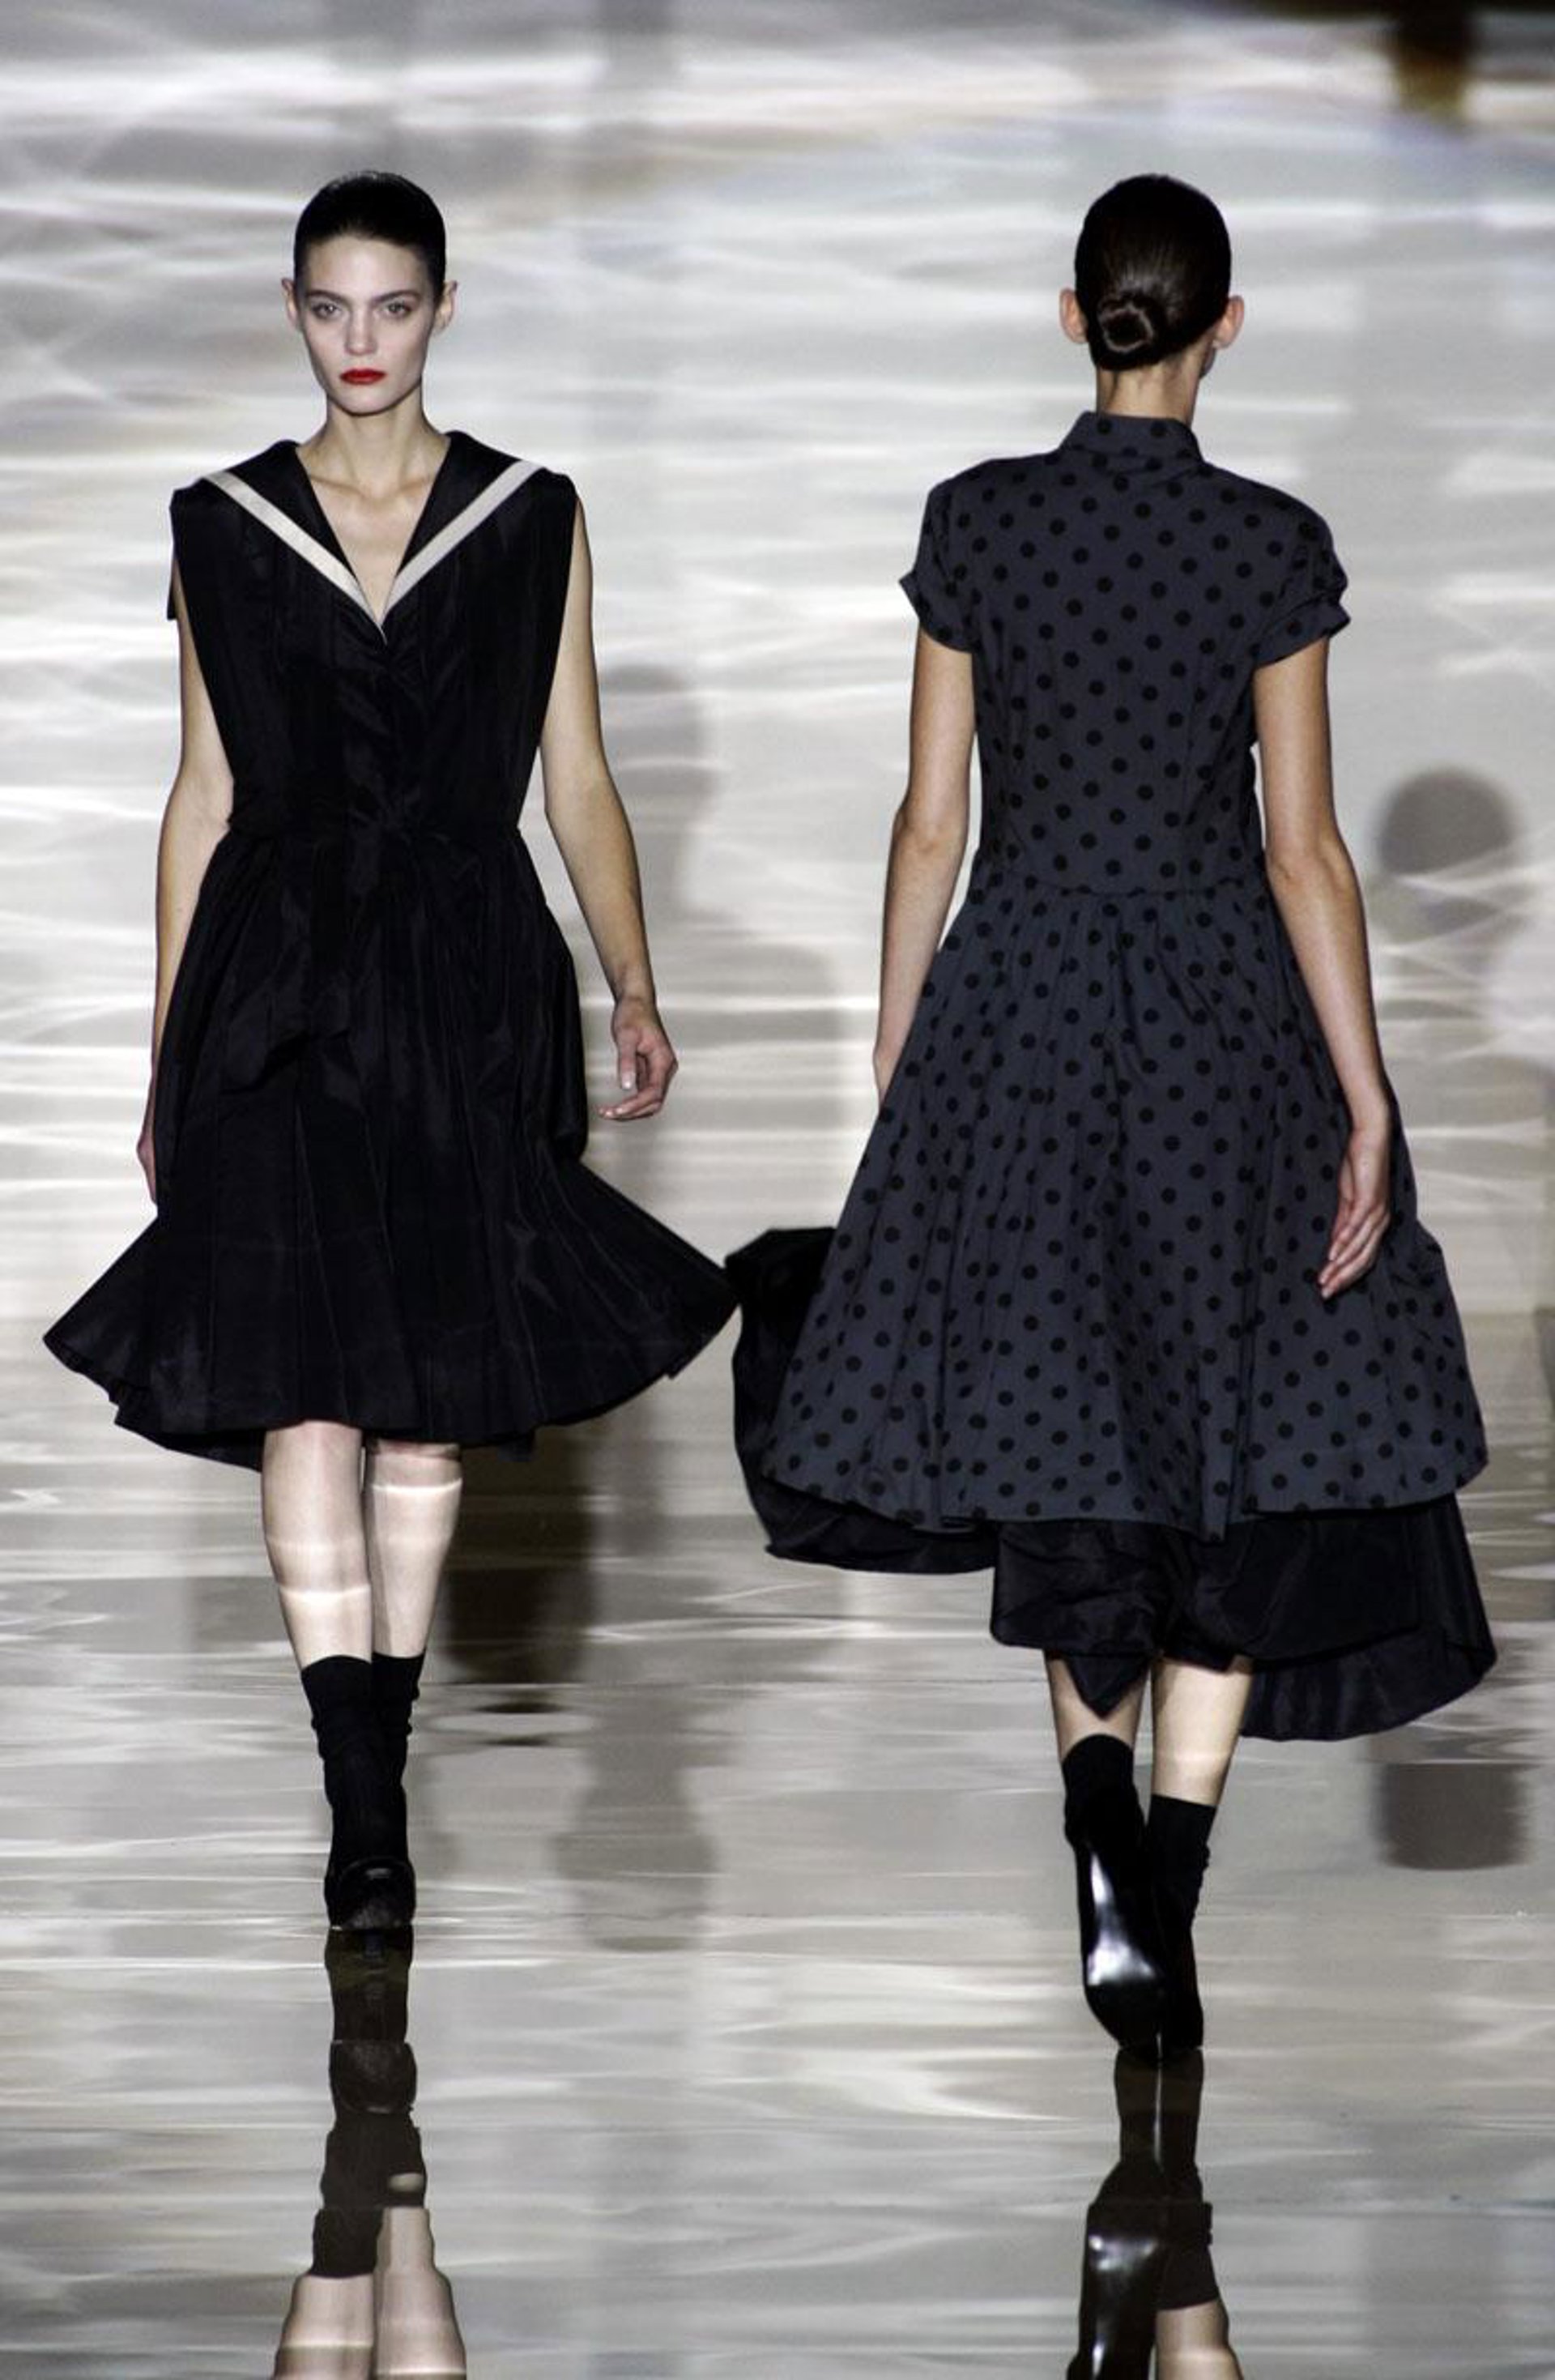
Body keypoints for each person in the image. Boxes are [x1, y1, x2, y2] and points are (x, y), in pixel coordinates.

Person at [728, 173, 1494, 2061]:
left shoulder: (978, 521)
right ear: (1228, 324)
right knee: (1233, 1435)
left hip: (1030, 1012)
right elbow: (1304, 852)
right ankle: (1165, 1880)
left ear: (1076, 315)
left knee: (1072, 1427)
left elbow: (932, 822)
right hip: (1228, 1028)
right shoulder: (1269, 546)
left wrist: (908, 1058)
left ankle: (1094, 1820)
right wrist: (1368, 1095)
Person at [43, 171, 735, 1932]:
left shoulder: (530, 514)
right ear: (292, 309)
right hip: (271, 988)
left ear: (443, 309)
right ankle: (361, 1801)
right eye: (332, 307)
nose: (362, 342)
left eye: (395, 307)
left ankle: (383, 1749)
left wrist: (633, 981)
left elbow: (577, 773)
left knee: (427, 1404)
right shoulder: (219, 521)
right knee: (306, 1380)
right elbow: (200, 795)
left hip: (463, 986)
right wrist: (163, 1055)